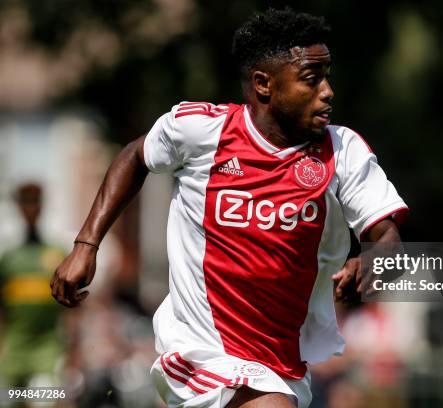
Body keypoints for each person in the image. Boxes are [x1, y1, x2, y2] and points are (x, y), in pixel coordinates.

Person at [51, 8, 408, 408]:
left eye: (327, 75)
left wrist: (377, 259)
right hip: (200, 348)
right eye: (312, 79)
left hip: (282, 360)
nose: (327, 91)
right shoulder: (201, 130)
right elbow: (136, 155)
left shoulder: (342, 151)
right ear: (264, 85)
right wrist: (86, 244)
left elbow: (385, 232)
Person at [0, 183, 67, 387]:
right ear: (19, 208)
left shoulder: (57, 255)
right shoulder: (9, 258)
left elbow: (73, 310)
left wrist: (74, 353)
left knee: (43, 399)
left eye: (35, 202)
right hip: (13, 350)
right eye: (25, 203)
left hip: (48, 350)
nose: (30, 209)